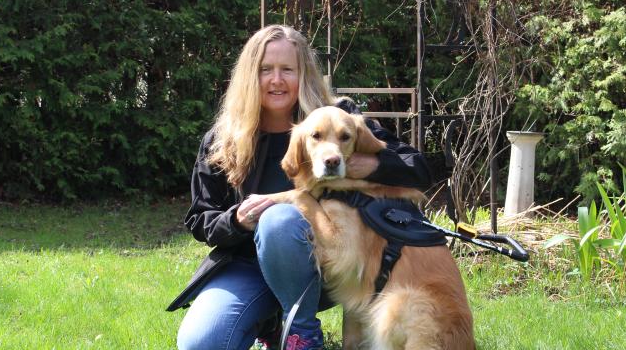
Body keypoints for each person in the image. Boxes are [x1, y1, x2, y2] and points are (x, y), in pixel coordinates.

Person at [170, 24, 432, 350]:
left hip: (326, 268)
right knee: (201, 344)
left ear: (303, 73)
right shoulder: (223, 139)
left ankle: (301, 337)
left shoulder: (338, 119)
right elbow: (200, 219)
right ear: (250, 76)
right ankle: (270, 322)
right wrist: (236, 220)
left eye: (287, 70)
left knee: (279, 220)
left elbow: (419, 169)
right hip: (248, 267)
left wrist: (373, 164)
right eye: (265, 69)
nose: (276, 80)